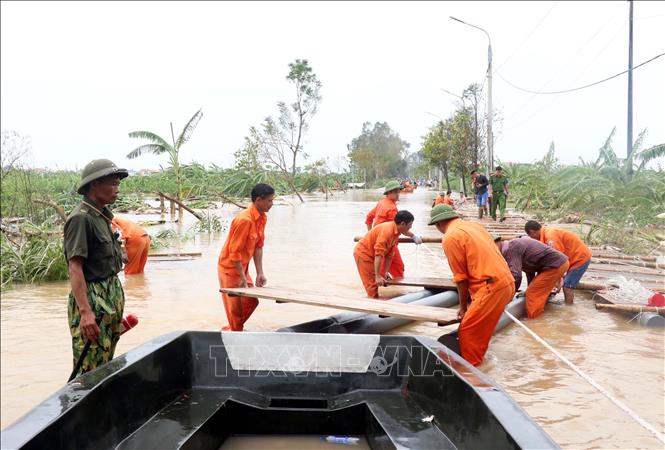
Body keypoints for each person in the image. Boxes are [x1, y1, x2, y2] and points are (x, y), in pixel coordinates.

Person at [64, 158, 128, 375]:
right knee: (88, 366)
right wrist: (85, 313)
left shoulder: (101, 216)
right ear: (94, 185)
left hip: (110, 295)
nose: (117, 189)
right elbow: (75, 267)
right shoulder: (81, 219)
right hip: (93, 300)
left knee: (104, 360)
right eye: (112, 183)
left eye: (118, 184)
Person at [429, 204, 515, 366]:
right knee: (481, 330)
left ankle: (473, 373)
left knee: (468, 332)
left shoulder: (450, 237)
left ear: (438, 224)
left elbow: (461, 278)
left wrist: (463, 307)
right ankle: (480, 361)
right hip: (506, 282)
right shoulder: (475, 226)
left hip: (491, 288)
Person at [217, 183, 274, 331]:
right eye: (269, 200)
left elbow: (258, 246)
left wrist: (260, 272)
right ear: (258, 200)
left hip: (242, 267)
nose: (271, 204)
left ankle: (233, 328)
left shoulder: (262, 218)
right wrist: (241, 276)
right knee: (236, 310)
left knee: (252, 301)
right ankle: (235, 331)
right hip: (230, 268)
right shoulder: (244, 220)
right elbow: (234, 252)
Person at [493, 236, 569, 319]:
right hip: (558, 264)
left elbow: (516, 275)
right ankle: (539, 310)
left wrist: (510, 296)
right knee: (532, 291)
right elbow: (530, 271)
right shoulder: (511, 247)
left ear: (497, 243)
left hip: (555, 265)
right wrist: (529, 287)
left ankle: (535, 321)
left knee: (532, 294)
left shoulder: (511, 249)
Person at [524, 220, 592, 305]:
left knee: (567, 287)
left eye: (530, 236)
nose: (532, 239)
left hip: (579, 258)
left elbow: (557, 261)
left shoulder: (550, 237)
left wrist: (557, 282)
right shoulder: (545, 234)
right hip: (572, 258)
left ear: (532, 232)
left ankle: (568, 310)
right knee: (569, 282)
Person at [365, 181, 423, 278]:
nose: (398, 194)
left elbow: (368, 219)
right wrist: (413, 236)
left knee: (383, 268)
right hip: (387, 241)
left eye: (398, 191)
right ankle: (398, 291)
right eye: (395, 192)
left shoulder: (381, 203)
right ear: (388, 193)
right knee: (398, 268)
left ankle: (389, 289)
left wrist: (371, 234)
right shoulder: (391, 208)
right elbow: (400, 228)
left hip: (379, 240)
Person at [354, 210, 415, 298]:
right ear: (402, 224)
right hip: (363, 253)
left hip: (373, 254)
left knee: (379, 280)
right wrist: (378, 276)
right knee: (372, 285)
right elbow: (378, 254)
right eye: (410, 224)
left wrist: (385, 272)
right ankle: (373, 304)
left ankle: (377, 301)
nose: (411, 227)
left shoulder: (396, 231)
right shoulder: (387, 232)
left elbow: (389, 256)